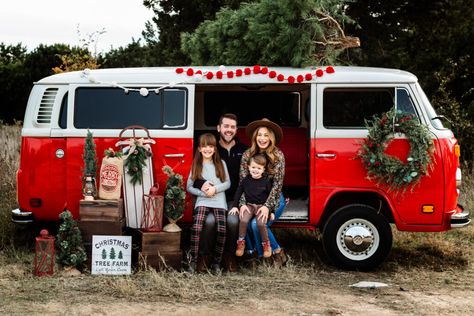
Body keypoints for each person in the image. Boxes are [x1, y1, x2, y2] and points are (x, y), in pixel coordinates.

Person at [199, 113, 248, 272]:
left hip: (234, 200)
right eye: (226, 126)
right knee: (210, 222)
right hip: (214, 198)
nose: (229, 130)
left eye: (232, 127)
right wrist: (204, 186)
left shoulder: (244, 150)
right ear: (219, 128)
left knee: (233, 222)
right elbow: (197, 172)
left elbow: (249, 178)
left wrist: (242, 202)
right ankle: (205, 257)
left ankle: (229, 257)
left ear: (236, 129)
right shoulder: (211, 148)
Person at [239, 118, 286, 263]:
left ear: (271, 137)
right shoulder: (248, 155)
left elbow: (278, 185)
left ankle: (278, 252)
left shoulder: (278, 155)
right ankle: (258, 256)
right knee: (243, 220)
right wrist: (242, 204)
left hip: (273, 197)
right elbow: (242, 182)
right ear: (255, 136)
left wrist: (267, 207)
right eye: (259, 134)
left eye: (266, 135)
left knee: (256, 225)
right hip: (251, 198)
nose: (262, 138)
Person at [186, 133, 230, 273]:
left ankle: (216, 262)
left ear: (215, 149)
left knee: (222, 230)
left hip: (219, 201)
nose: (207, 149)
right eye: (204, 146)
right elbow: (189, 187)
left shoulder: (221, 163)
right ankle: (193, 261)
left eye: (210, 146)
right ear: (199, 149)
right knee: (197, 228)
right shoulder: (196, 165)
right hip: (203, 200)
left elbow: (228, 183)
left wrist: (215, 189)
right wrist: (203, 193)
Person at [229, 154, 273, 258]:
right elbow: (238, 193)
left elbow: (270, 197)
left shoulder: (266, 182)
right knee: (243, 220)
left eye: (259, 168)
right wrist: (235, 206)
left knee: (261, 224)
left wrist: (271, 211)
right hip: (249, 206)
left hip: (261, 207)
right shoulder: (245, 181)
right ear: (248, 167)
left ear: (263, 169)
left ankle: (266, 244)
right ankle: (241, 242)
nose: (255, 170)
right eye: (253, 167)